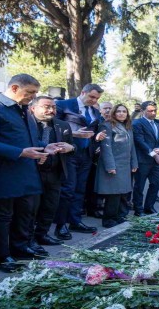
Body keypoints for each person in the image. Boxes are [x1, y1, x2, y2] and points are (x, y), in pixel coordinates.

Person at [0, 74, 66, 272]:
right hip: (0, 174)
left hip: (25, 173)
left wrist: (44, 147)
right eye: (30, 92)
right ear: (13, 88)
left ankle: (20, 248)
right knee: (1, 217)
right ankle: (1, 256)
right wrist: (20, 153)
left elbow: (25, 140)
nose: (33, 96)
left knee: (25, 214)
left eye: (35, 92)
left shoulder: (23, 110)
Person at [54, 84, 101, 239]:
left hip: (86, 154)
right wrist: (74, 134)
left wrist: (96, 138)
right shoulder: (64, 105)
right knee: (68, 190)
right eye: (92, 97)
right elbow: (53, 128)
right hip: (68, 153)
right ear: (83, 92)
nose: (94, 101)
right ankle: (60, 225)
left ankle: (75, 221)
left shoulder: (94, 111)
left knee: (80, 190)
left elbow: (92, 131)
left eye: (97, 99)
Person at [29, 96, 76, 246]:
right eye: (46, 106)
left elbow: (72, 147)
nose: (51, 110)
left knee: (50, 206)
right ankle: (29, 239)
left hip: (55, 172)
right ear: (33, 108)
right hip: (32, 172)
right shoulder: (27, 124)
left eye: (54, 107)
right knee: (31, 208)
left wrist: (71, 148)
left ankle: (42, 234)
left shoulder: (63, 125)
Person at [94, 104, 138, 228]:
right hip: (113, 164)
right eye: (118, 111)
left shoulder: (128, 126)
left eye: (124, 111)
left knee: (123, 193)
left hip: (125, 165)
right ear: (113, 113)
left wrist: (134, 163)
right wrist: (110, 166)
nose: (121, 113)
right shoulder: (106, 125)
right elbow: (105, 148)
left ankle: (119, 217)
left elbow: (132, 147)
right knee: (113, 194)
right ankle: (108, 220)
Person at [131, 101, 159, 216]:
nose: (154, 113)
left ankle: (149, 207)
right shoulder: (137, 123)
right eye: (150, 111)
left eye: (155, 110)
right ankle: (138, 210)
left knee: (156, 183)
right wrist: (155, 155)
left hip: (155, 161)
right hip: (143, 160)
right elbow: (140, 142)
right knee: (139, 186)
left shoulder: (158, 124)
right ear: (142, 111)